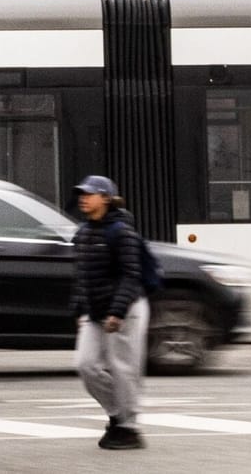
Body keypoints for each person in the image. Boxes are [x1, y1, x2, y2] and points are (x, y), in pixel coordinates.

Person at [71, 174, 149, 450]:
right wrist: (81, 311)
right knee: (86, 365)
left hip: (126, 307)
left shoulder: (122, 232)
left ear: (105, 198)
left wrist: (117, 312)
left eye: (89, 193)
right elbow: (82, 277)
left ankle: (129, 429)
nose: (83, 197)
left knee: (123, 368)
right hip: (95, 310)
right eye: (81, 193)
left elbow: (131, 275)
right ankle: (118, 415)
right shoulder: (82, 234)